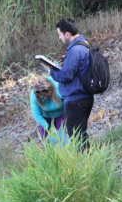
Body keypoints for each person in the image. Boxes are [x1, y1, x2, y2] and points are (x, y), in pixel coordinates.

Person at [48, 18, 93, 149]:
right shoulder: (85, 44)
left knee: (77, 137)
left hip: (75, 99)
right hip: (84, 97)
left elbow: (65, 75)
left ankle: (86, 165)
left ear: (67, 34)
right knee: (80, 134)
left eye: (60, 35)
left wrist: (51, 71)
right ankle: (88, 163)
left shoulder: (75, 50)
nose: (59, 38)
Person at [30, 76, 65, 141]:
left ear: (51, 89)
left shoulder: (58, 87)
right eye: (42, 97)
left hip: (61, 115)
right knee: (45, 139)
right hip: (45, 117)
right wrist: (46, 126)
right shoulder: (34, 94)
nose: (45, 98)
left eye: (47, 96)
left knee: (61, 136)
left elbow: (69, 105)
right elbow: (36, 114)